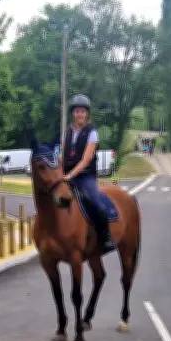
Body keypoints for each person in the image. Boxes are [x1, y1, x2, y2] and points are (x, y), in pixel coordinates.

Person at [61, 94, 115, 254]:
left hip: (85, 176)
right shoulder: (67, 133)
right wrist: (59, 174)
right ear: (73, 113)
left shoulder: (92, 133)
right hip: (66, 174)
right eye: (77, 111)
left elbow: (86, 159)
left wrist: (71, 175)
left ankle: (106, 237)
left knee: (96, 203)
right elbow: (63, 155)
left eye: (83, 111)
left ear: (87, 114)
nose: (80, 114)